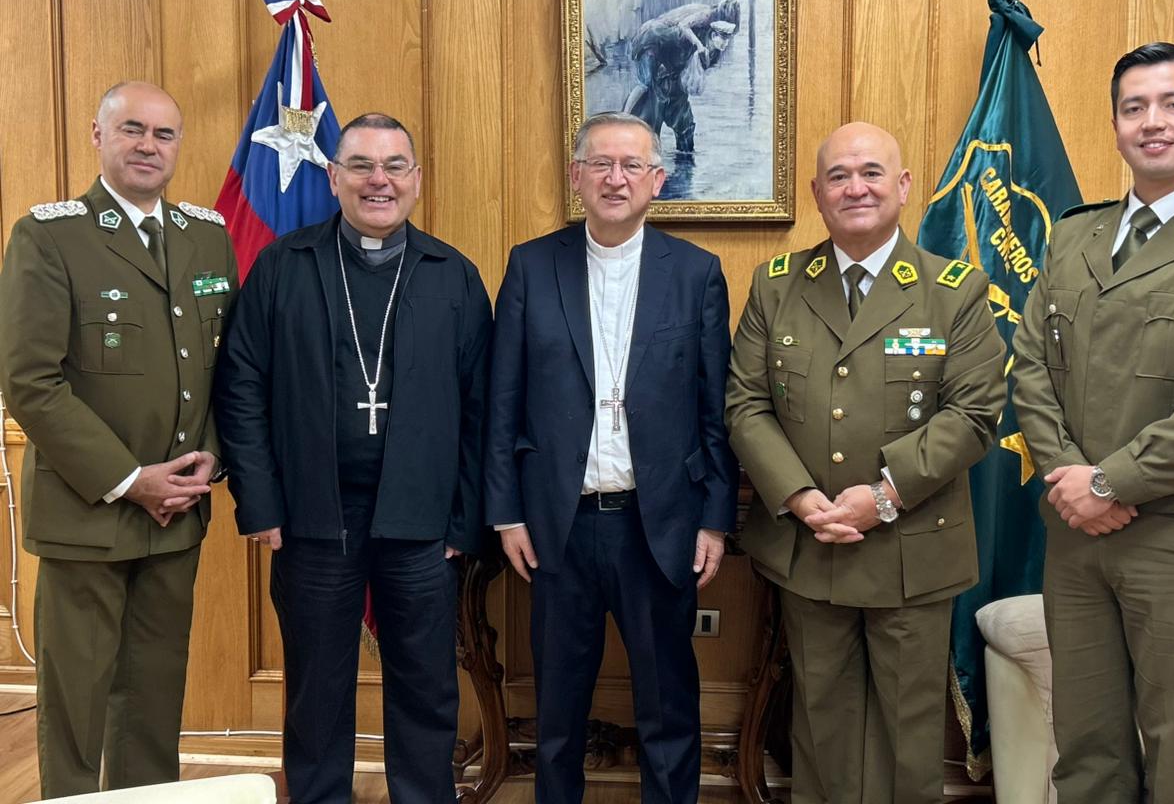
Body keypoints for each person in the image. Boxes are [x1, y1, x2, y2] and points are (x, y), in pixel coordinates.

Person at [1012, 42, 1174, 803]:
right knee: (1088, 755)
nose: (1152, 123)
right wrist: (1073, 483)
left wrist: (1108, 480)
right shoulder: (1074, 235)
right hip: (1076, 539)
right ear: (1116, 125)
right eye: (1134, 108)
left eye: (1173, 104)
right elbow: (1030, 367)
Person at [213, 113, 490, 804]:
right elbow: (240, 387)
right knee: (316, 692)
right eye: (362, 165)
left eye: (395, 165)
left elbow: (485, 410)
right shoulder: (283, 266)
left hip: (423, 525)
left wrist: (463, 523)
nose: (379, 180)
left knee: (426, 689)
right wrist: (260, 501)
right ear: (333, 177)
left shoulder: (453, 275)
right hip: (311, 519)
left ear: (417, 180)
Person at [725, 121, 1005, 804]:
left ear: (903, 187)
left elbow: (974, 416)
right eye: (840, 176)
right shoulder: (778, 284)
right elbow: (745, 404)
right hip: (808, 542)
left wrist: (880, 497)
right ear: (818, 193)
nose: (856, 187)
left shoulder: (955, 290)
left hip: (911, 550)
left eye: (872, 172)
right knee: (819, 726)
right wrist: (796, 496)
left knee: (908, 735)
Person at [485, 111, 736, 804]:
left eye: (632, 166)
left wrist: (714, 520)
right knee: (559, 711)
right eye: (600, 164)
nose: (615, 178)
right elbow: (503, 401)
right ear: (576, 177)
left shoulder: (695, 274)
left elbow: (715, 409)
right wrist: (506, 513)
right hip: (557, 525)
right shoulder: (532, 266)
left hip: (659, 524)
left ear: (658, 180)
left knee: (667, 705)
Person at [0, 81, 236, 797]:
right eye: (131, 129)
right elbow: (30, 382)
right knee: (76, 707)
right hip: (89, 515)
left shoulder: (207, 234)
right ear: (98, 137)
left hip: (177, 517)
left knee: (155, 700)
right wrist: (134, 480)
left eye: (164, 135)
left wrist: (208, 459)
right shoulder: (50, 235)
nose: (147, 146)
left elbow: (226, 365)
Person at [622, 0, 741, 156]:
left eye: (729, 37)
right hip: (651, 42)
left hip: (670, 61)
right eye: (723, 36)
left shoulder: (711, 50)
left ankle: (681, 155)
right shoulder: (701, 20)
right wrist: (698, 46)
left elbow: (690, 74)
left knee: (682, 120)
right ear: (712, 32)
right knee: (648, 88)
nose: (726, 43)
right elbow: (677, 31)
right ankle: (623, 119)